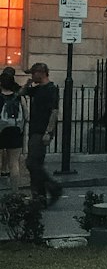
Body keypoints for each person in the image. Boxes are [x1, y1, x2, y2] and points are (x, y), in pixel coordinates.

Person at [23, 62, 62, 207]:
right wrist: (28, 83)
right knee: (35, 165)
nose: (32, 76)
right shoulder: (37, 89)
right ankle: (39, 197)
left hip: (42, 131)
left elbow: (54, 112)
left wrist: (48, 132)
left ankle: (53, 187)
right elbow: (21, 93)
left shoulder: (51, 89)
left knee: (32, 163)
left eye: (33, 73)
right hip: (34, 130)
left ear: (41, 72)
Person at [0, 66, 28, 194]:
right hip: (15, 132)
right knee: (14, 163)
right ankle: (15, 192)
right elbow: (26, 115)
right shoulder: (19, 96)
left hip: (1, 130)